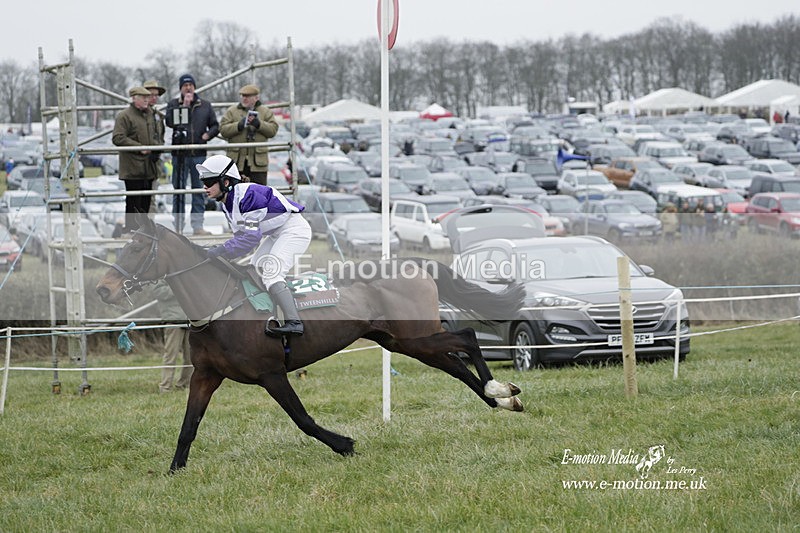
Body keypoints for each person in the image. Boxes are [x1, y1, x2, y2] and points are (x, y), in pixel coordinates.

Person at [198, 154, 311, 336]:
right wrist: (219, 252)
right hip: (276, 233)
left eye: (209, 181)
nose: (205, 187)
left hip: (294, 231)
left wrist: (219, 251)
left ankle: (294, 322)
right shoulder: (227, 203)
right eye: (203, 182)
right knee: (254, 270)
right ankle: (270, 313)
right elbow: (240, 240)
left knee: (271, 275)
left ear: (226, 182)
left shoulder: (248, 196)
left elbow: (250, 239)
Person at [165, 74, 219, 235]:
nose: (188, 87)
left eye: (190, 85)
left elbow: (216, 125)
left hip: (198, 154)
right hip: (179, 154)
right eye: (185, 85)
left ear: (194, 87)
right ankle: (178, 227)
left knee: (199, 190)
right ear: (180, 88)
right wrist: (184, 107)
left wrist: (207, 136)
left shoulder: (205, 105)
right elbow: (169, 121)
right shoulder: (173, 104)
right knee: (178, 191)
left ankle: (197, 226)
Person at [112, 86, 161, 232]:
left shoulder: (151, 115)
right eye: (143, 97)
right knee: (133, 200)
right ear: (134, 98)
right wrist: (139, 147)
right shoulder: (124, 116)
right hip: (133, 166)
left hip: (149, 165)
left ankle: (143, 230)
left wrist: (157, 148)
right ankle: (132, 230)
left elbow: (157, 134)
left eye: (148, 97)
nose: (147, 100)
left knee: (145, 201)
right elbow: (118, 137)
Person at [219, 84, 280, 186]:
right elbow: (223, 130)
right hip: (237, 163)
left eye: (248, 96)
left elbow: (273, 130)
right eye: (242, 96)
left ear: (256, 98)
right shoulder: (232, 111)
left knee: (259, 194)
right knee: (235, 193)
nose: (244, 98)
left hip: (258, 164)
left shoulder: (265, 112)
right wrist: (238, 126)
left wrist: (259, 124)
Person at [152, 280, 192, 393]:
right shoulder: (162, 277)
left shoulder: (183, 275)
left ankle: (185, 383)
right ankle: (165, 386)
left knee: (190, 357)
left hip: (189, 320)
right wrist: (179, 288)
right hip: (173, 322)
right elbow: (158, 292)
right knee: (170, 355)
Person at [143, 80, 166, 214]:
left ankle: (149, 227)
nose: (154, 97)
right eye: (151, 94)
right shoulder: (138, 115)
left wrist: (158, 149)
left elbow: (160, 136)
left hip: (154, 161)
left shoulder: (157, 115)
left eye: (156, 95)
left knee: (152, 196)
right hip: (139, 161)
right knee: (139, 196)